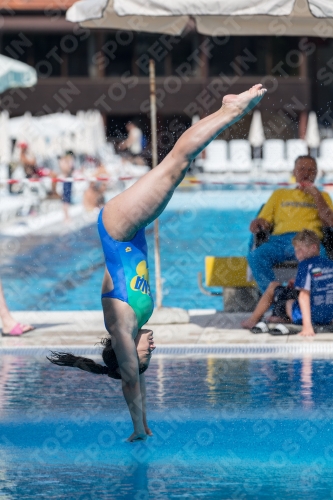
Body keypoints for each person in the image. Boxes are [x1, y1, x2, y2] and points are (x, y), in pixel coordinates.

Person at [47, 84, 267, 442]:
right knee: (176, 170)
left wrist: (136, 426)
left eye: (145, 356)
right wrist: (146, 422)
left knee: (174, 165)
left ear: (126, 355)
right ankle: (227, 113)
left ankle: (230, 111)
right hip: (130, 232)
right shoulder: (136, 322)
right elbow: (136, 378)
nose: (152, 349)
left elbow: (132, 379)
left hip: (118, 229)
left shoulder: (121, 324)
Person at [248, 156, 333, 293]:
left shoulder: (323, 196)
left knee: (320, 260)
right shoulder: (279, 194)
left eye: (311, 170)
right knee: (256, 256)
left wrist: (316, 195)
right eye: (302, 169)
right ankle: (276, 298)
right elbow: (265, 221)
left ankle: (315, 303)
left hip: (308, 240)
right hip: (280, 242)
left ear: (316, 174)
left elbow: (330, 222)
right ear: (294, 172)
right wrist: (259, 223)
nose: (306, 173)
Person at [242, 230, 333, 336]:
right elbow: (320, 282)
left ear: (313, 248)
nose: (297, 254)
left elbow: (304, 296)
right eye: (295, 250)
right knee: (294, 293)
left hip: (309, 318)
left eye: (300, 250)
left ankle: (253, 320)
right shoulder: (330, 264)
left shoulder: (305, 265)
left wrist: (307, 326)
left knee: (277, 290)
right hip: (328, 317)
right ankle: (279, 317)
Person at [59, 151, 75, 221]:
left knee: (67, 199)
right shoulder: (64, 161)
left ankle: (67, 216)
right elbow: (66, 170)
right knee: (66, 199)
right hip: (66, 180)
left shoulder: (65, 161)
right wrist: (70, 166)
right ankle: (66, 217)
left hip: (68, 180)